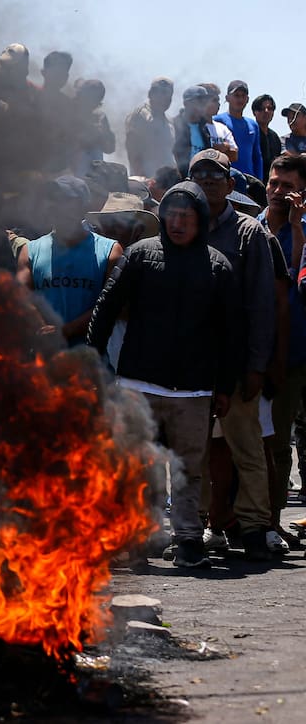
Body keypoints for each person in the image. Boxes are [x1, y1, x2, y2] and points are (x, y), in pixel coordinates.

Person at [87, 181, 239, 569]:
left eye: (186, 216)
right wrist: (92, 361)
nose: (177, 222)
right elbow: (106, 308)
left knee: (188, 469)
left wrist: (225, 386)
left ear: (200, 220)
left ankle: (187, 540)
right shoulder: (139, 255)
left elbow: (230, 332)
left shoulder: (218, 266)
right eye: (171, 214)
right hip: (138, 383)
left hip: (193, 390)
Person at [188, 148, 277, 561]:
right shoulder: (181, 226)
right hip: (193, 365)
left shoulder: (249, 232)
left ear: (230, 184)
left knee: (247, 448)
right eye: (199, 174)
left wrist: (258, 365)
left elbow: (263, 304)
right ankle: (196, 527)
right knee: (195, 451)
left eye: (215, 175)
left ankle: (255, 526)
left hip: (238, 362)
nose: (207, 180)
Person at [16, 176, 122, 345]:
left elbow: (112, 305)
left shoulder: (110, 251)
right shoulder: (30, 251)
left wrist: (66, 331)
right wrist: (41, 325)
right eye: (53, 198)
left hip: (90, 356)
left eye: (65, 200)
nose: (56, 205)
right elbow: (21, 297)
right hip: (46, 355)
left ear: (83, 206)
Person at [261, 154, 306, 547]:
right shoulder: (250, 227)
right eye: (273, 183)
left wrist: (295, 228)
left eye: (287, 186)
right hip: (250, 352)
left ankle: (271, 522)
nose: (277, 192)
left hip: (291, 355)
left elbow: (294, 282)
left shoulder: (303, 232)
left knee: (277, 443)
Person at [173, 85, 238, 174]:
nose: (202, 106)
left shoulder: (204, 129)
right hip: (181, 179)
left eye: (204, 102)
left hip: (200, 178)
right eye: (198, 102)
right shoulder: (175, 125)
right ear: (186, 103)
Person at [124, 77, 177, 177]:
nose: (164, 98)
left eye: (168, 94)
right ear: (150, 94)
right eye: (159, 93)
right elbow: (133, 149)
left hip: (167, 180)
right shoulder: (141, 115)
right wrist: (141, 178)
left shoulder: (169, 121)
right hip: (147, 179)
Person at [214, 80, 264, 180]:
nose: (240, 99)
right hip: (226, 178)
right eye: (236, 95)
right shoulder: (217, 121)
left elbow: (257, 157)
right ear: (227, 98)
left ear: (247, 99)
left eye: (243, 96)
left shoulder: (253, 125)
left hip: (248, 179)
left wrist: (259, 180)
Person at [71, 79, 115, 175]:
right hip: (71, 171)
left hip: (94, 172)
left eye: (96, 101)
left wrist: (102, 135)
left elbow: (110, 148)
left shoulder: (100, 117)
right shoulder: (69, 112)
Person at [252, 95, 282, 182]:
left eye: (270, 108)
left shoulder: (274, 137)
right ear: (254, 112)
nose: (266, 111)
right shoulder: (250, 134)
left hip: (270, 183)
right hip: (253, 182)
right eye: (261, 109)